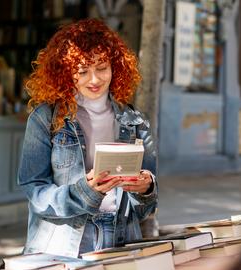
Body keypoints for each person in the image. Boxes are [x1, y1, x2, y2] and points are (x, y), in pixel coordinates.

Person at [17, 18, 158, 258]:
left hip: (121, 237)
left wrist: (146, 188)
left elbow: (147, 207)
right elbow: (35, 192)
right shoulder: (46, 118)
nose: (94, 80)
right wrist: (85, 192)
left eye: (102, 68)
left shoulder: (135, 121)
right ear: (67, 73)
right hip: (64, 242)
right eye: (82, 71)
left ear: (115, 67)